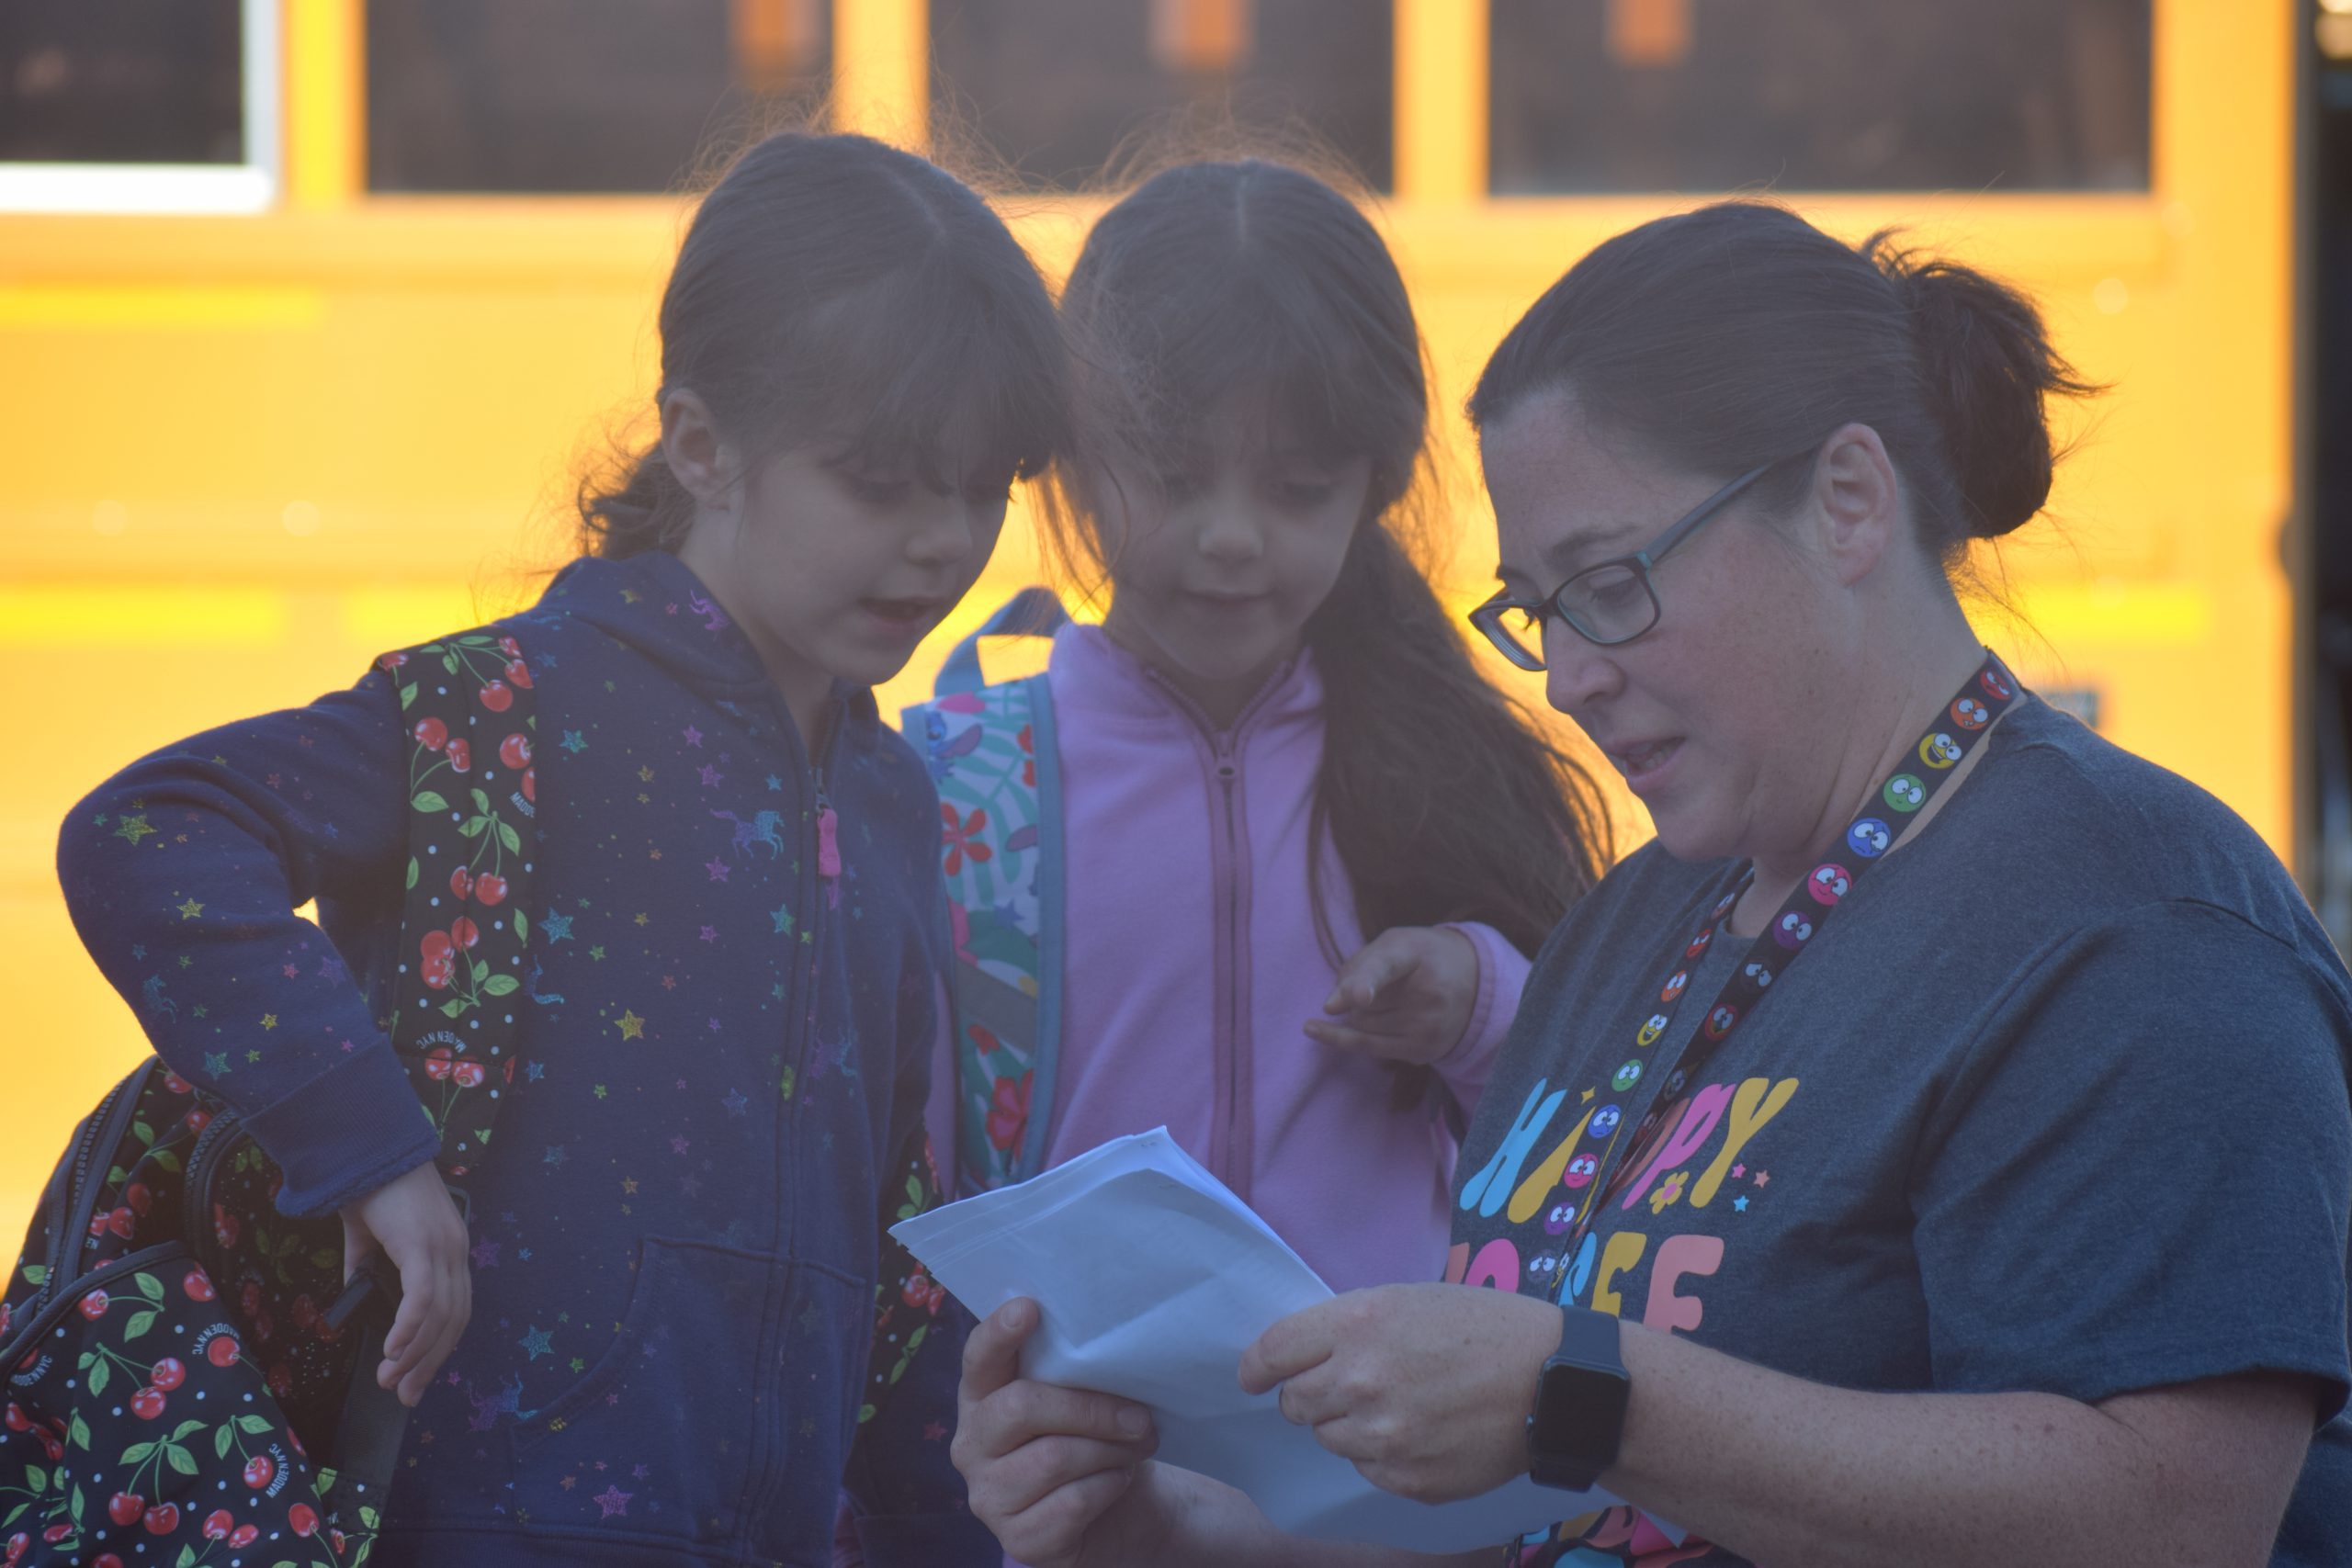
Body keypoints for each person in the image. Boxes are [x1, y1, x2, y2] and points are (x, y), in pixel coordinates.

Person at [946, 199, 2352, 1567]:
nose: (1569, 675)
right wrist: (1165, 1529)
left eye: (1607, 583)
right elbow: (1535, 1507)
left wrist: (1589, 1392)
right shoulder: (1634, 928)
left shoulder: (2131, 917)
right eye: (1536, 611)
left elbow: (2174, 1513)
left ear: (1848, 501)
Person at [52, 130, 1068, 1567]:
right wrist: (368, 1152)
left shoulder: (893, 797)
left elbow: (901, 1236)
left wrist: (943, 1528)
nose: (944, 542)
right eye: (882, 481)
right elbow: (147, 833)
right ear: (704, 444)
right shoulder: (509, 711)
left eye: (985, 486)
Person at [902, 156, 1608, 1301]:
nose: (1231, 536)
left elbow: (1588, 1158)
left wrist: (1478, 1002)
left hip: (1381, 1456)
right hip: (1070, 1455)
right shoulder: (962, 784)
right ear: (1073, 467)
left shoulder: (1447, 766)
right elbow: (910, 1194)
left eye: (1295, 489)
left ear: (1372, 488)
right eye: (1175, 476)